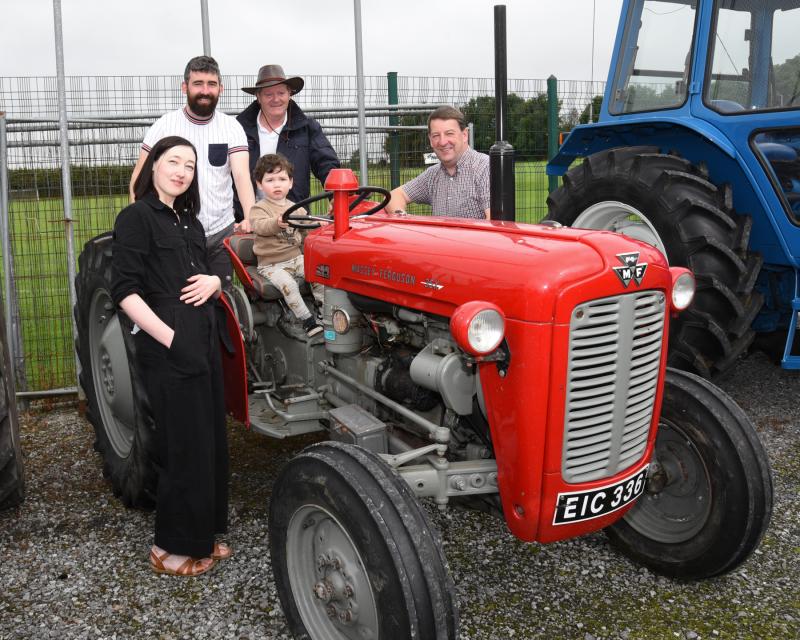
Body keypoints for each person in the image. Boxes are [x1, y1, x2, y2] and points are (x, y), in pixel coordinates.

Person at [112, 136, 231, 577]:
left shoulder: (190, 222)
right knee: (182, 444)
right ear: (153, 166)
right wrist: (171, 339)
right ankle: (170, 549)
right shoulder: (136, 218)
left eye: (190, 165)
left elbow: (211, 266)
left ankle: (205, 534)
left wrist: (216, 283)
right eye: (173, 161)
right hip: (168, 346)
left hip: (203, 338)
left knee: (208, 440)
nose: (182, 171)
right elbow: (126, 292)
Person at [129, 56, 255, 288]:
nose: (205, 91)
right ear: (185, 87)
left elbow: (241, 177)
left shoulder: (232, 127)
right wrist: (138, 221)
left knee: (222, 301)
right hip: (176, 234)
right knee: (181, 299)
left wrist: (250, 218)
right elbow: (139, 176)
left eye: (211, 84)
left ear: (221, 89)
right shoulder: (165, 125)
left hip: (221, 234)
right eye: (198, 84)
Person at [236, 64, 339, 215]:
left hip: (293, 216)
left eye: (281, 93)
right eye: (268, 94)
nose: (276, 99)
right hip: (250, 218)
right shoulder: (238, 129)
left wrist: (336, 194)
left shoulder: (307, 128)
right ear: (258, 97)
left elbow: (326, 163)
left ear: (289, 94)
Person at [249, 153, 323, 337]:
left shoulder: (297, 208)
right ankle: (307, 320)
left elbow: (307, 232)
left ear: (290, 183)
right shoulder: (259, 208)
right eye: (270, 179)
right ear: (260, 184)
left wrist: (320, 227)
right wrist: (276, 222)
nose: (277, 184)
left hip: (296, 258)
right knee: (288, 284)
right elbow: (260, 226)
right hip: (272, 264)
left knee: (317, 274)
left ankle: (324, 312)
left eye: (282, 179)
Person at [384, 105, 490, 219]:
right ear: (430, 140)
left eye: (449, 133)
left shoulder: (485, 167)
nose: (443, 142)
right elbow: (394, 196)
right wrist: (402, 217)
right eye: (436, 135)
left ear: (464, 135)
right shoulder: (432, 174)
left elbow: (495, 224)